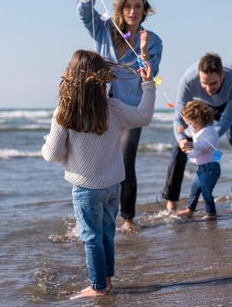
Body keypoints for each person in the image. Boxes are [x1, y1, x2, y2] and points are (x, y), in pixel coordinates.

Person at [41, 50, 156, 299]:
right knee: (106, 234)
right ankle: (107, 280)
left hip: (85, 189)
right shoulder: (112, 108)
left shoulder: (66, 111)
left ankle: (98, 287)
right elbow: (144, 116)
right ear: (102, 77)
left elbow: (52, 153)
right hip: (113, 185)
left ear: (71, 77)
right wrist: (148, 84)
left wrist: (46, 144)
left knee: (91, 237)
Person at [77, 0, 163, 231]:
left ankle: (127, 218)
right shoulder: (105, 28)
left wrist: (145, 50)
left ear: (144, 9)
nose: (133, 11)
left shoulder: (154, 41)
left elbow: (150, 75)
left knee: (126, 160)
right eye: (128, 6)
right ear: (121, 8)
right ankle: (100, 214)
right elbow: (83, 12)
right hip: (100, 105)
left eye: (138, 6)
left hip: (130, 110)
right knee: (98, 160)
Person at [162, 53, 232, 212]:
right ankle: (171, 202)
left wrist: (207, 138)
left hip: (228, 106)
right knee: (179, 148)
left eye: (214, 83)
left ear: (222, 75)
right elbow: (178, 118)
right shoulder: (188, 79)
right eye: (204, 84)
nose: (209, 89)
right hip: (201, 107)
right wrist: (182, 139)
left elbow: (227, 119)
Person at [174, 100, 221, 220]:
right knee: (194, 190)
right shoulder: (198, 129)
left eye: (191, 122)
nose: (190, 125)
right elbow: (191, 132)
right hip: (202, 168)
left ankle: (211, 213)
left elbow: (207, 144)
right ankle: (189, 210)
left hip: (210, 168)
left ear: (199, 120)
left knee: (206, 192)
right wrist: (182, 131)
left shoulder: (210, 131)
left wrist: (192, 145)